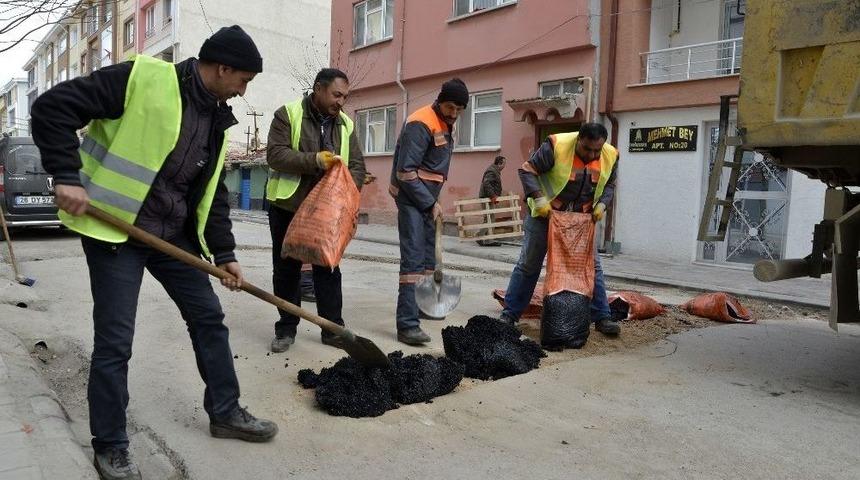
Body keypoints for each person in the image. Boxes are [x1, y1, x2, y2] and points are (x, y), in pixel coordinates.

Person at [31, 25, 277, 480]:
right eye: (243, 80)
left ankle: (225, 411)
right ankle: (111, 444)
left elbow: (212, 193)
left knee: (208, 317)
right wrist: (65, 175)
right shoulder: (142, 79)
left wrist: (224, 254)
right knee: (115, 342)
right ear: (222, 68)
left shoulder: (216, 118)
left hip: (171, 237)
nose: (243, 91)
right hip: (116, 233)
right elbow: (51, 107)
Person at [265, 68, 365, 353]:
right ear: (318, 89)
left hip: (328, 214)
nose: (341, 102)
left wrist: (347, 189)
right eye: (336, 95)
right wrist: (315, 161)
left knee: (329, 268)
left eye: (345, 96)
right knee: (287, 271)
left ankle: (332, 329)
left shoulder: (345, 125)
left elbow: (357, 165)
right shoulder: (288, 114)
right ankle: (286, 329)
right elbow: (276, 155)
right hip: (289, 207)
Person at [500, 123, 622, 337]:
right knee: (529, 265)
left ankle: (602, 317)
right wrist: (538, 198)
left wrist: (603, 203)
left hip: (580, 221)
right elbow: (527, 170)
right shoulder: (557, 146)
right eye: (587, 149)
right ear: (578, 140)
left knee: (591, 267)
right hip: (545, 216)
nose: (592, 154)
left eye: (597, 150)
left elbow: (611, 183)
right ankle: (509, 315)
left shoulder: (610, 154)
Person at [389, 78, 468, 345]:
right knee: (412, 262)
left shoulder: (445, 123)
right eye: (450, 107)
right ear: (440, 100)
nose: (454, 114)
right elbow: (405, 171)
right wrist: (429, 202)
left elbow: (428, 167)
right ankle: (407, 325)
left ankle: (424, 307)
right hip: (413, 199)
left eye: (459, 110)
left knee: (428, 260)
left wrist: (433, 199)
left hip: (424, 199)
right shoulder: (421, 122)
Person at [477, 155, 506, 246]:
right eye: (504, 164)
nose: (505, 166)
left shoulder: (494, 170)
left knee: (489, 217)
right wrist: (493, 196)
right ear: (499, 163)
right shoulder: (492, 171)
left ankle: (481, 236)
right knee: (489, 218)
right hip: (487, 197)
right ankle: (482, 237)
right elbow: (487, 183)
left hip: (488, 197)